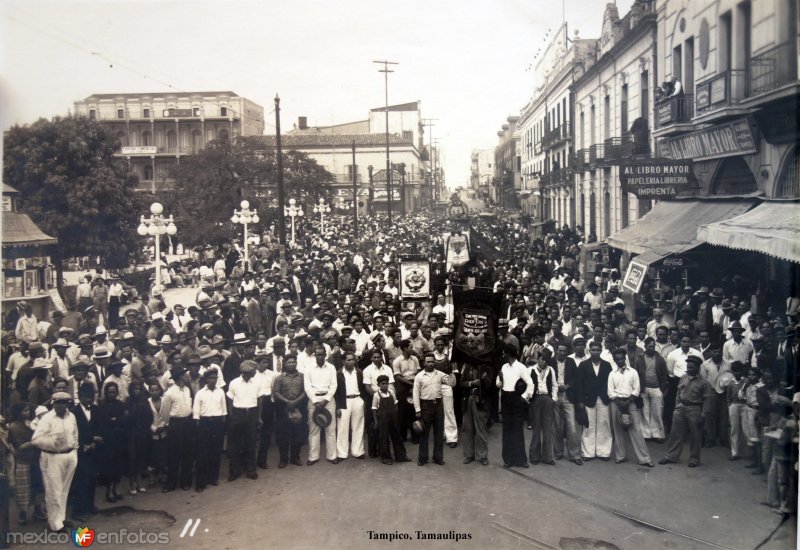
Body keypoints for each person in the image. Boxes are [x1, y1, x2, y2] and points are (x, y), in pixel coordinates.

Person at [31, 391, 79, 533]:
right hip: (52, 457)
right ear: (53, 403)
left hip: (69, 455)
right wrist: (52, 443)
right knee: (54, 491)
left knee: (64, 489)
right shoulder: (47, 418)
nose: (60, 405)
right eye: (57, 402)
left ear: (67, 404)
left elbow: (75, 434)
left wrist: (74, 449)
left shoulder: (72, 416)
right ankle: (55, 524)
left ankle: (61, 519)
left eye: (63, 402)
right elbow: (36, 439)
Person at [659, 355, 712, 467]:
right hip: (681, 407)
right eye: (688, 367)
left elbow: (707, 399)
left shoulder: (704, 383)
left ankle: (694, 459)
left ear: (698, 368)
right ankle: (671, 456)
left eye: (692, 368)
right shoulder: (683, 377)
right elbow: (678, 392)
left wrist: (703, 415)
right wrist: (677, 405)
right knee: (675, 433)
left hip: (695, 408)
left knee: (696, 435)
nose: (689, 370)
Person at [608, 348, 654, 467]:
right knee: (617, 430)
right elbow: (610, 392)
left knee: (636, 430)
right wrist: (620, 403)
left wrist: (628, 402)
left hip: (631, 402)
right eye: (617, 359)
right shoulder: (612, 374)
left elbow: (637, 389)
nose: (619, 361)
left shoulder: (633, 372)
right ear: (614, 360)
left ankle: (645, 458)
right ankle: (621, 456)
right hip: (616, 402)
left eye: (621, 358)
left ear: (625, 358)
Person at [574, 341, 613, 461]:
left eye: (597, 350)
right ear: (589, 351)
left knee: (604, 424)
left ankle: (604, 452)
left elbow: (610, 383)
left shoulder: (607, 365)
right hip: (588, 399)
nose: (595, 352)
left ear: (601, 351)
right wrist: (580, 401)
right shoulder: (583, 365)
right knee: (588, 425)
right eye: (593, 350)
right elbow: (579, 385)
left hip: (603, 398)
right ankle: (588, 452)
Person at [7, 403, 46, 525]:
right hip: (22, 461)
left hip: (35, 460)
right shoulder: (14, 427)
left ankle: (38, 511)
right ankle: (22, 514)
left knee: (37, 486)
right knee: (23, 490)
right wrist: (34, 442)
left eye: (28, 410)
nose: (27, 413)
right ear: (18, 412)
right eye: (25, 411)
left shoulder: (30, 423)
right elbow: (19, 446)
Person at [496, 344, 533, 468]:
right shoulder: (503, 367)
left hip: (516, 399)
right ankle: (508, 459)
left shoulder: (521, 367)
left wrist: (523, 398)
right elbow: (498, 384)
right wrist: (500, 381)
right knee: (507, 429)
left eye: (503, 353)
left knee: (517, 429)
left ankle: (521, 460)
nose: (502, 355)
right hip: (506, 398)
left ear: (508, 354)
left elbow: (530, 384)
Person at [227, 360, 263, 480]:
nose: (255, 373)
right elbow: (230, 401)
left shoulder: (257, 383)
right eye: (253, 372)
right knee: (235, 444)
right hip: (238, 413)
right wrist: (233, 416)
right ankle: (234, 471)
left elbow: (259, 401)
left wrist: (258, 417)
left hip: (252, 413)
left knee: (251, 443)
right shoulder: (234, 383)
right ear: (246, 373)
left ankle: (251, 470)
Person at [160, 365, 194, 491]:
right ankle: (171, 483)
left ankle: (185, 481)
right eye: (185, 374)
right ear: (179, 376)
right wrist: (171, 425)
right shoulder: (169, 393)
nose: (187, 376)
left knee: (187, 454)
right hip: (176, 425)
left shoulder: (187, 390)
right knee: (174, 455)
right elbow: (165, 413)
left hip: (187, 423)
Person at [192, 369, 227, 492]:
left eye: (215, 378)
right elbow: (196, 413)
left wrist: (222, 424)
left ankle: (213, 478)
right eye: (211, 378)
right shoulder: (200, 393)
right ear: (206, 379)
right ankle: (201, 482)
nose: (213, 380)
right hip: (204, 423)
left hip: (217, 423)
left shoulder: (221, 392)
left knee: (215, 451)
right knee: (203, 453)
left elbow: (224, 410)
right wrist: (199, 426)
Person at [304, 346, 338, 465]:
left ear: (325, 355)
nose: (320, 357)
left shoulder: (331, 368)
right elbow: (307, 387)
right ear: (314, 355)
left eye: (322, 354)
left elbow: (334, 385)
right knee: (314, 429)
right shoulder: (308, 369)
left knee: (331, 429)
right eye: (317, 355)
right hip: (314, 399)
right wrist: (315, 401)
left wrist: (326, 399)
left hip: (328, 400)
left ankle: (332, 455)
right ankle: (313, 457)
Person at [272, 354, 307, 468]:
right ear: (285, 364)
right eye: (289, 362)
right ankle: (283, 459)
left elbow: (305, 391)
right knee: (283, 436)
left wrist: (295, 402)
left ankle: (295, 457)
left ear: (296, 363)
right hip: (284, 409)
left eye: (293, 362)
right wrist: (287, 402)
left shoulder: (302, 377)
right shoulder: (279, 378)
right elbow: (276, 392)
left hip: (298, 407)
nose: (291, 364)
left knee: (297, 434)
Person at [413, 352, 448, 466]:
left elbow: (451, 382)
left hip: (438, 405)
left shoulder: (439, 374)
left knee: (438, 432)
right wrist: (417, 410)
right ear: (424, 363)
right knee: (424, 433)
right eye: (428, 362)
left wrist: (452, 373)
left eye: (432, 362)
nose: (431, 364)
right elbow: (415, 394)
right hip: (425, 406)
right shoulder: (419, 376)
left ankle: (438, 457)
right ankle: (422, 458)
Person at [96, 381, 127, 502]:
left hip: (119, 439)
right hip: (108, 440)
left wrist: (116, 419)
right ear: (106, 393)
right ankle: (109, 491)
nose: (112, 394)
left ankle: (116, 488)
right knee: (109, 467)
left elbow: (125, 419)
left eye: (114, 392)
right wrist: (116, 420)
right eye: (110, 392)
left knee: (119, 465)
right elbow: (104, 422)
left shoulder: (120, 404)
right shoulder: (102, 406)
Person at [634, 337, 669, 442]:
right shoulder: (639, 359)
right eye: (649, 346)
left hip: (656, 389)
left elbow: (664, 375)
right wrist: (638, 389)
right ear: (645, 347)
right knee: (644, 412)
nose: (651, 348)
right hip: (644, 389)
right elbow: (636, 375)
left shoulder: (660, 359)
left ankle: (658, 434)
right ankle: (646, 434)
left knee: (657, 412)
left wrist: (662, 388)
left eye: (653, 346)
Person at [334, 351, 366, 460]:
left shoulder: (359, 372)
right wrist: (338, 406)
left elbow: (363, 388)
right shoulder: (339, 374)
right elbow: (336, 392)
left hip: (357, 399)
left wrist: (362, 401)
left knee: (358, 426)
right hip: (344, 401)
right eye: (348, 360)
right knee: (342, 428)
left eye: (353, 359)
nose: (351, 362)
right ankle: (342, 453)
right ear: (343, 361)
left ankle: (358, 451)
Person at [528, 348, 557, 465]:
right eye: (541, 359)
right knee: (536, 428)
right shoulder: (531, 370)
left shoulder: (551, 370)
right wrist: (529, 398)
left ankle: (547, 457)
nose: (543, 362)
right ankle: (534, 456)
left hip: (547, 399)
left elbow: (555, 385)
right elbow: (527, 385)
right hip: (536, 399)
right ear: (538, 359)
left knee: (547, 428)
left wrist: (553, 399)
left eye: (546, 360)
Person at [372, 374, 410, 465]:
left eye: (386, 384)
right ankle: (386, 457)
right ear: (378, 385)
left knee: (397, 436)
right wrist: (376, 421)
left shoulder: (391, 393)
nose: (385, 385)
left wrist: (395, 415)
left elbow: (396, 404)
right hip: (382, 419)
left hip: (393, 418)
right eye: (383, 384)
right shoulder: (376, 395)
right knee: (384, 438)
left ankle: (401, 456)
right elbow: (374, 409)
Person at [460, 361, 491, 465]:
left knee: (481, 428)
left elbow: (490, 385)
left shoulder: (486, 367)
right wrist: (471, 383)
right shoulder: (466, 366)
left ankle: (483, 456)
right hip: (468, 399)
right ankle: (469, 455)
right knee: (467, 427)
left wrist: (483, 375)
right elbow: (461, 383)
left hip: (480, 401)